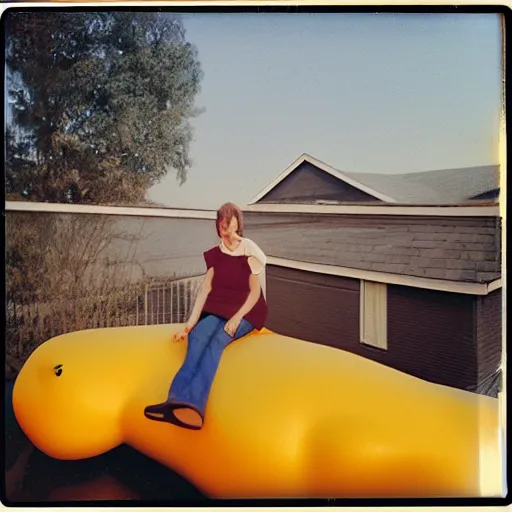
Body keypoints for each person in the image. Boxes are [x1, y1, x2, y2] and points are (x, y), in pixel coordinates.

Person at [144, 202, 268, 430]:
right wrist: (189, 326)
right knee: (199, 335)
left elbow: (255, 293)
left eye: (229, 219)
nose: (224, 224)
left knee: (217, 342)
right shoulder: (215, 254)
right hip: (221, 308)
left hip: (247, 310)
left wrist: (237, 318)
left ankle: (194, 406)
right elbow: (205, 290)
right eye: (221, 220)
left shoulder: (249, 251)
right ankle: (174, 401)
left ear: (238, 223)